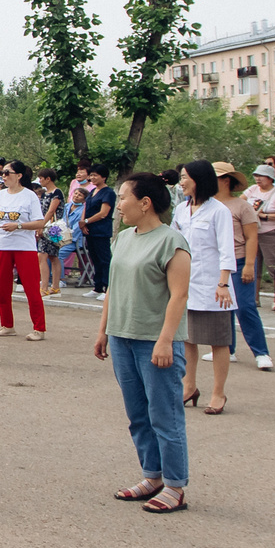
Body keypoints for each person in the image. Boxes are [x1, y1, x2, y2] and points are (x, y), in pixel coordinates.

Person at [93, 170, 193, 512]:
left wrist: (166, 341)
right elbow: (113, 288)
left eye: (123, 198)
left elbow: (179, 296)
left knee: (165, 414)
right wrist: (104, 330)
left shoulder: (172, 242)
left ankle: (176, 485)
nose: (118, 204)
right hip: (122, 337)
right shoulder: (122, 238)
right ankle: (152, 476)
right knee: (137, 413)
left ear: (145, 203)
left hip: (155, 341)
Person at [172, 160, 238, 413]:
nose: (182, 181)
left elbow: (226, 249)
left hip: (213, 285)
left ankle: (219, 393)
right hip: (185, 283)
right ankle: (189, 386)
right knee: (187, 339)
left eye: (186, 176)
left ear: (200, 179)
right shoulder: (181, 210)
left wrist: (223, 283)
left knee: (218, 341)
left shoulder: (218, 210)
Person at [214, 163, 271, 373]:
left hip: (239, 260)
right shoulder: (207, 205)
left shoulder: (242, 206)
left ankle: (261, 352)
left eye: (216, 178)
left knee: (245, 306)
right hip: (217, 263)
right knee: (221, 307)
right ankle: (227, 348)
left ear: (226, 180)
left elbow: (251, 236)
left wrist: (249, 264)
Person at [0, 160, 47, 339]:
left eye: (8, 173)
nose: (3, 176)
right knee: (2, 289)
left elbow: (40, 222)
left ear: (19, 175)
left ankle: (39, 328)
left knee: (31, 288)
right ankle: (7, 325)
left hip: (24, 247)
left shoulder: (29, 196)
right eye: (2, 173)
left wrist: (18, 226)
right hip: (1, 246)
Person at [80, 173, 115, 299]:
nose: (93, 178)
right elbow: (85, 207)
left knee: (104, 259)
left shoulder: (108, 192)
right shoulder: (93, 191)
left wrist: (87, 221)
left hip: (101, 230)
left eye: (96, 175)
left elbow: (103, 213)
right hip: (90, 230)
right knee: (94, 259)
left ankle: (107, 288)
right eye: (92, 175)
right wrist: (83, 222)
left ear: (104, 177)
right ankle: (97, 286)